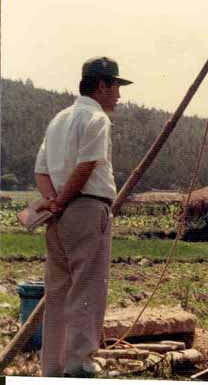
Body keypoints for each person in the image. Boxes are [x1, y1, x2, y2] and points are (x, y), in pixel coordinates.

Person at [34, 56, 132, 377]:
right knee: (87, 288)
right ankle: (79, 365)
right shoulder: (97, 119)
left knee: (58, 290)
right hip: (87, 207)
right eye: (116, 86)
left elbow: (41, 170)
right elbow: (87, 165)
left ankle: (53, 367)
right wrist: (62, 200)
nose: (118, 94)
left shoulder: (59, 119)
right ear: (101, 85)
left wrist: (52, 202)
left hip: (58, 215)